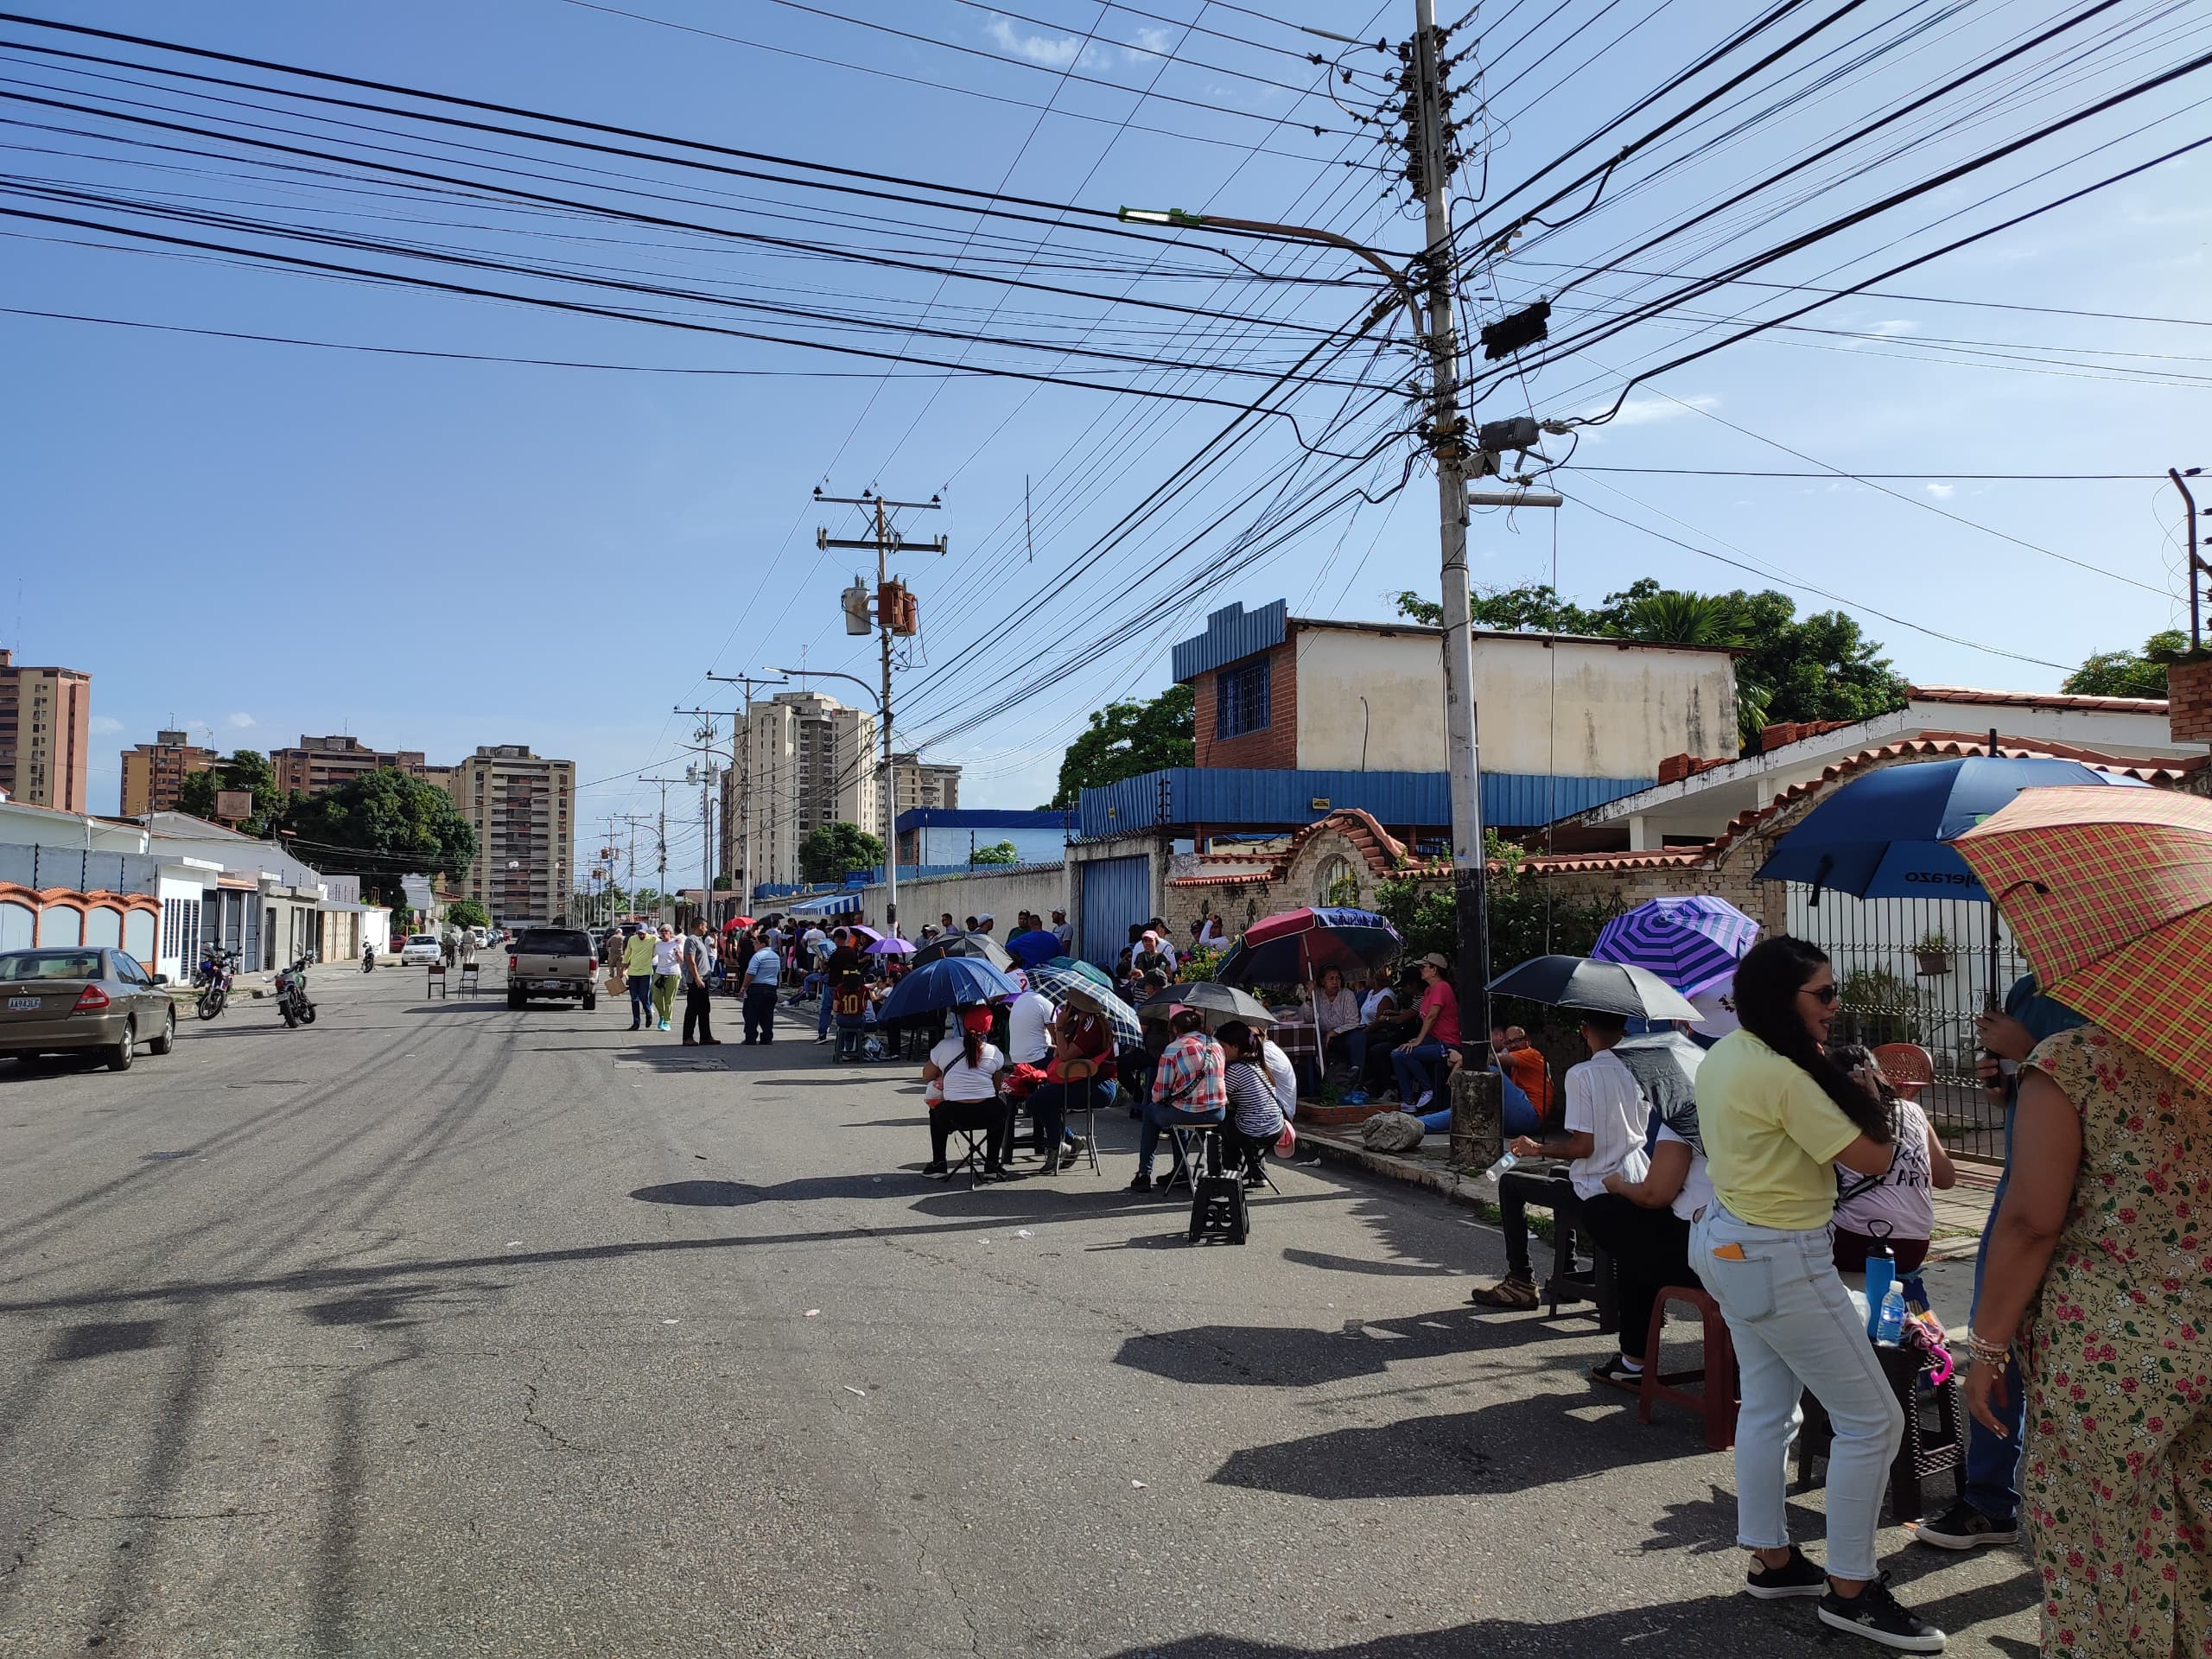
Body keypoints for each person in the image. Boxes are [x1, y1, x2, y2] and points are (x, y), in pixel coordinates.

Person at [1688, 936, 1940, 1651]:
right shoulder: (1788, 1075)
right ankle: (1852, 1590)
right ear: (1783, 1000)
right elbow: (1874, 1154)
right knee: (1874, 1421)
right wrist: (1876, 1091)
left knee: (1768, 1406)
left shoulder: (1729, 1053)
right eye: (1824, 994)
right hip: (1780, 1256)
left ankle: (1774, 1560)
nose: (1836, 1006)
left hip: (1731, 1242)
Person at [1960, 1021, 2210, 1659]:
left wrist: (1986, 1349)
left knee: (2102, 1554)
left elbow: (2029, 1222)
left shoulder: (2077, 1058)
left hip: (2112, 1354)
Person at [1916, 976, 2088, 1554]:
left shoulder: (2119, 990)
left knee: (2057, 1361)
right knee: (2003, 1346)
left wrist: (2028, 1051)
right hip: (2020, 1184)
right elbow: (2025, 1092)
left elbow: (2105, 1087)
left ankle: (2077, 1523)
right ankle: (1991, 1500)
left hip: (2086, 1202)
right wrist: (2005, 1085)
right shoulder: (2025, 988)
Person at [1467, 1009, 1652, 1314]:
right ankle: (1566, 1274)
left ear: (1584, 1031)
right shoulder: (1638, 1070)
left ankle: (1520, 1281)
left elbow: (1583, 1146)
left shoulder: (1584, 1074)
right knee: (1558, 1173)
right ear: (1623, 1032)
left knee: (1511, 1183)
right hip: (1632, 1175)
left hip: (1599, 1187)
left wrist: (1535, 1147)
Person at [1580, 1030, 1710, 1389]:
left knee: (1606, 1215)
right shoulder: (1741, 1110)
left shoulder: (1685, 1114)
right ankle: (1633, 1359)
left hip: (1704, 1248)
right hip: (1751, 1239)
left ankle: (1633, 1361)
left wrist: (1619, 1184)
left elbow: (1656, 1194)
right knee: (1639, 1246)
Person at [1824, 1044, 1955, 1274]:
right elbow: (1946, 1178)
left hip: (1856, 1241)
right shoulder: (1912, 1111)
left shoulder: (1836, 1117)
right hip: (1915, 1245)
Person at [1128, 1007, 1224, 1194]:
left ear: (1176, 1030)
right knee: (1176, 1116)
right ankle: (1180, 1171)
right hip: (1217, 1112)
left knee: (1150, 1113)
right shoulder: (1216, 1045)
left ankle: (1144, 1174)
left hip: (1188, 1112)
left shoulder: (1173, 1049)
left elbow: (1159, 1094)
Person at [919, 1003, 1014, 1181]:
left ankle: (939, 1163)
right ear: (990, 1028)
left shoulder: (945, 1046)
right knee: (1001, 1109)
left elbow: (927, 1075)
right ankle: (992, 1165)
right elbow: (996, 1087)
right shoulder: (994, 1052)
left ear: (963, 1024)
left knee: (935, 1111)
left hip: (953, 1114)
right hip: (987, 1113)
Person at [1212, 1020, 1286, 1188]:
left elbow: (1219, 1097)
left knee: (1223, 1123)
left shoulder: (1236, 1071)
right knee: (1243, 1121)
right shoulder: (1258, 1064)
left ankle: (1232, 1174)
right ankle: (1258, 1172)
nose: (1220, 1051)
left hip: (1256, 1131)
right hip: (1276, 1126)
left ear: (1236, 1047)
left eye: (1222, 1047)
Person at [1389, 954, 1460, 1109]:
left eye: (1424, 967)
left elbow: (1432, 1017)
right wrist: (1417, 1040)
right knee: (1397, 1052)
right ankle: (1408, 1100)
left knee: (1402, 1053)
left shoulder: (1442, 987)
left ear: (1434, 970)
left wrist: (1418, 1041)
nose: (1421, 970)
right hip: (1433, 1039)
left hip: (1447, 1043)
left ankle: (1428, 1089)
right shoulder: (1428, 990)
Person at [1312, 967, 1362, 1071]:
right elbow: (1307, 1018)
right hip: (1320, 1036)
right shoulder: (1315, 994)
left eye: (1338, 978)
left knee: (1358, 1037)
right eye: (1331, 978)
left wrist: (1333, 1032)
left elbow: (1353, 1022)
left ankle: (1357, 1074)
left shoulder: (1347, 994)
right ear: (1322, 981)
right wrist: (1308, 999)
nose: (1335, 982)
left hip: (1342, 1034)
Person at [738, 926, 782, 1046]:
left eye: (756, 943)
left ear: (762, 944)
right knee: (767, 1014)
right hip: (771, 988)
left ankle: (750, 1037)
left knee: (751, 1013)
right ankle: (767, 1037)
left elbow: (750, 973)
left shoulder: (758, 956)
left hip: (757, 987)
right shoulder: (776, 956)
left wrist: (743, 986)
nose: (754, 945)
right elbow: (777, 972)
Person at [679, 918, 720, 1046]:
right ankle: (687, 1037)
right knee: (693, 1009)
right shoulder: (691, 940)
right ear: (700, 926)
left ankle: (706, 1036)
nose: (706, 929)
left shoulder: (699, 940)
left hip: (705, 979)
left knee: (704, 1009)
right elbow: (691, 961)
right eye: (705, 926)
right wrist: (697, 978)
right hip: (697, 980)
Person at [646, 924, 683, 1033]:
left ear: (670, 932)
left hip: (673, 973)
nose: (664, 933)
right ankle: (662, 1015)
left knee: (669, 999)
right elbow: (650, 955)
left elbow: (681, 960)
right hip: (659, 972)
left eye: (666, 931)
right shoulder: (658, 944)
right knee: (656, 995)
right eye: (662, 931)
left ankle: (667, 1021)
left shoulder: (676, 943)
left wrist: (678, 954)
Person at [623, 925, 657, 1032]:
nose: (641, 935)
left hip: (646, 972)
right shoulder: (632, 939)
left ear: (647, 932)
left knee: (643, 996)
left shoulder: (653, 939)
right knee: (634, 999)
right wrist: (622, 970)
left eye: (643, 933)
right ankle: (636, 1022)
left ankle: (648, 1012)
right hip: (633, 973)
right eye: (639, 933)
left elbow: (665, 940)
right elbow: (627, 954)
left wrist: (677, 940)